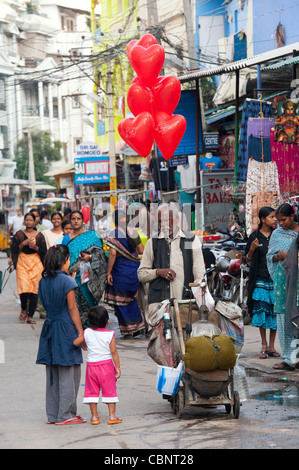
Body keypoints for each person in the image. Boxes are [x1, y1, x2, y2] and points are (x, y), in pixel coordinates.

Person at [36, 245, 86, 425]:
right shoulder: (67, 282)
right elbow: (72, 309)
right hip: (65, 328)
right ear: (64, 261)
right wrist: (81, 332)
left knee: (53, 373)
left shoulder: (43, 280)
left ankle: (53, 414)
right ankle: (66, 415)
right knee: (69, 372)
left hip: (50, 328)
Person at [137, 203, 205, 324]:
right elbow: (141, 274)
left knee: (186, 339)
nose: (163, 225)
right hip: (159, 305)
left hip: (185, 303)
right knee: (161, 340)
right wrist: (158, 272)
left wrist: (198, 293)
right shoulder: (153, 242)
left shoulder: (190, 240)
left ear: (177, 219)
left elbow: (199, 272)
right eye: (159, 221)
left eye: (167, 220)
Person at [73, 305, 122, 425]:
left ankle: (94, 417)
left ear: (89, 321)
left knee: (92, 391)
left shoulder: (87, 332)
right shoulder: (110, 335)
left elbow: (75, 342)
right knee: (110, 390)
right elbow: (114, 352)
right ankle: (112, 416)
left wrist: (82, 343)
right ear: (107, 322)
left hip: (92, 368)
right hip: (107, 367)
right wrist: (117, 367)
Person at [267, 203, 299, 371]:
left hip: (297, 282)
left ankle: (297, 358)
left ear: (292, 217)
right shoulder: (277, 235)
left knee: (297, 317)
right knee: (283, 318)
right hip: (282, 282)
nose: (281, 224)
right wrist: (278, 256)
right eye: (278, 221)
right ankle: (288, 358)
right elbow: (269, 257)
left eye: (284, 220)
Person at [62, 210, 106, 327]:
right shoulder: (66, 239)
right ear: (70, 221)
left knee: (89, 303)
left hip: (87, 275)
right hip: (71, 276)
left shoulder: (92, 236)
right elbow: (63, 257)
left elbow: (101, 253)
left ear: (82, 221)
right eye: (73, 219)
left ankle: (91, 328)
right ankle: (78, 329)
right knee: (74, 305)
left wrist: (90, 256)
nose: (76, 221)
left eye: (78, 219)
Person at [104, 209, 145, 338]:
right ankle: (137, 326)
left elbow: (113, 253)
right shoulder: (133, 232)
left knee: (120, 301)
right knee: (132, 299)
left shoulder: (114, 233)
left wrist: (108, 272)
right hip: (133, 271)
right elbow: (141, 250)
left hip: (120, 272)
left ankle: (128, 331)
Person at [245, 207, 279, 359]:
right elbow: (247, 260)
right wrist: (252, 249)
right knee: (261, 310)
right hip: (259, 278)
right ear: (263, 219)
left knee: (274, 311)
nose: (275, 220)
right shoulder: (254, 236)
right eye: (272, 217)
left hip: (275, 278)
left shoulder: (277, 235)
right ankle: (263, 344)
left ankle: (272, 346)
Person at [10, 212, 47, 324]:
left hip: (36, 263)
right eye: (27, 220)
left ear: (35, 221)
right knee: (24, 289)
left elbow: (44, 252)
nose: (29, 222)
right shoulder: (19, 234)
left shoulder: (39, 235)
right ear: (24, 221)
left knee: (34, 290)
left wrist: (35, 247)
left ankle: (30, 316)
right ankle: (24, 309)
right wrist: (23, 244)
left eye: (31, 220)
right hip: (22, 262)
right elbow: (13, 250)